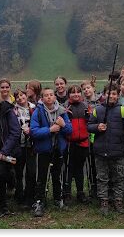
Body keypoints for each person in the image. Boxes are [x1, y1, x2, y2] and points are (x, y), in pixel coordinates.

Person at [87, 83, 124, 214]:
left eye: (114, 93)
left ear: (118, 95)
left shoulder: (123, 110)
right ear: (103, 95)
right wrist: (97, 127)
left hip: (119, 151)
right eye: (108, 93)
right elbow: (89, 126)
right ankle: (104, 201)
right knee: (102, 177)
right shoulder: (98, 109)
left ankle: (118, 201)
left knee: (119, 177)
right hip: (100, 150)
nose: (111, 96)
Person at [29, 88, 73, 217]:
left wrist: (63, 125)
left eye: (51, 95)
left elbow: (69, 130)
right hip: (43, 149)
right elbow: (34, 131)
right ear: (42, 98)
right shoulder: (38, 111)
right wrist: (50, 129)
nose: (49, 97)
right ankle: (39, 202)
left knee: (57, 175)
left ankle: (58, 199)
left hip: (58, 148)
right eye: (46, 95)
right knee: (41, 176)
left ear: (55, 97)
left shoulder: (62, 111)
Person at [63, 85, 91, 204]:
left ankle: (80, 192)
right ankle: (67, 193)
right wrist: (65, 116)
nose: (76, 94)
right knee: (68, 169)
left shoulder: (85, 106)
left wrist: (89, 116)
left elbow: (90, 122)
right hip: (69, 142)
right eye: (73, 93)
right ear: (68, 95)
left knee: (80, 168)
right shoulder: (65, 106)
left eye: (78, 92)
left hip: (83, 141)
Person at [13, 88, 36, 207]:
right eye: (17, 97)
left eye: (22, 96)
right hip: (18, 145)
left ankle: (29, 195)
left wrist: (31, 130)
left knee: (31, 172)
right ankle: (19, 194)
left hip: (31, 144)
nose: (20, 98)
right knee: (18, 171)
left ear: (26, 96)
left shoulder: (35, 108)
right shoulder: (13, 110)